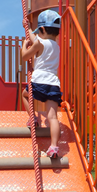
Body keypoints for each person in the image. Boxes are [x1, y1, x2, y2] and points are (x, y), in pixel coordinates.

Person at [21, 9, 62, 159]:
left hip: (39, 81)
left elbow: (25, 57)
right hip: (53, 85)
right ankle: (54, 147)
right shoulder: (56, 46)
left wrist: (24, 46)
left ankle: (34, 118)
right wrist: (29, 28)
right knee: (53, 117)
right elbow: (37, 38)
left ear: (43, 29)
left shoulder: (38, 44)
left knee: (24, 95)